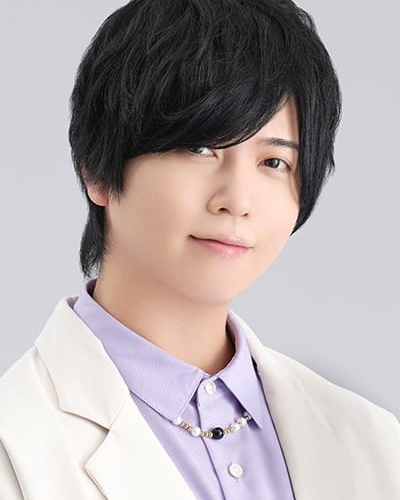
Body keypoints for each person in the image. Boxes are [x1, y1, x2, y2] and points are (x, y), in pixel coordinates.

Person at [0, 0, 399, 498]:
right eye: (199, 148)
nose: (237, 200)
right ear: (97, 169)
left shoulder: (375, 443)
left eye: (274, 162)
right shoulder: (16, 441)